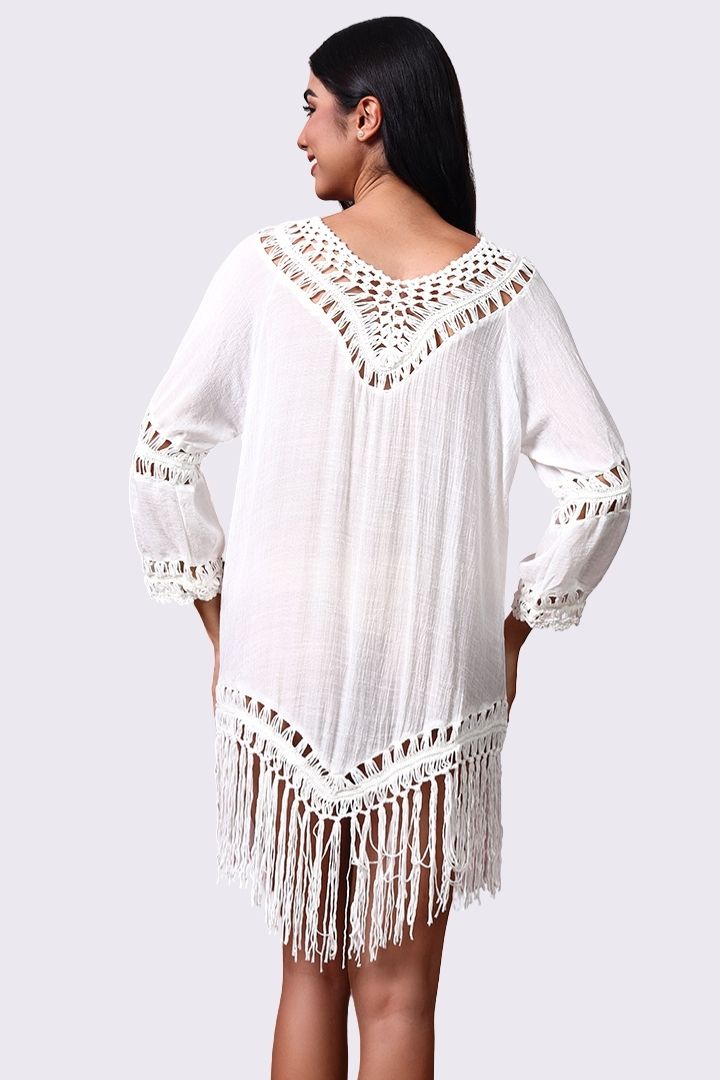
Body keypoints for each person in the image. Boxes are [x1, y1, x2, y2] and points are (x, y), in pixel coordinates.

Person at [128, 16, 632, 1080]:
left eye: (311, 108)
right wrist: (512, 635)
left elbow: (162, 452)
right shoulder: (506, 290)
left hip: (289, 667)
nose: (299, 135)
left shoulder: (269, 266)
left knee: (307, 973)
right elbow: (602, 487)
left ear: (369, 117)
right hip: (432, 674)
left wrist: (224, 625)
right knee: (400, 1001)